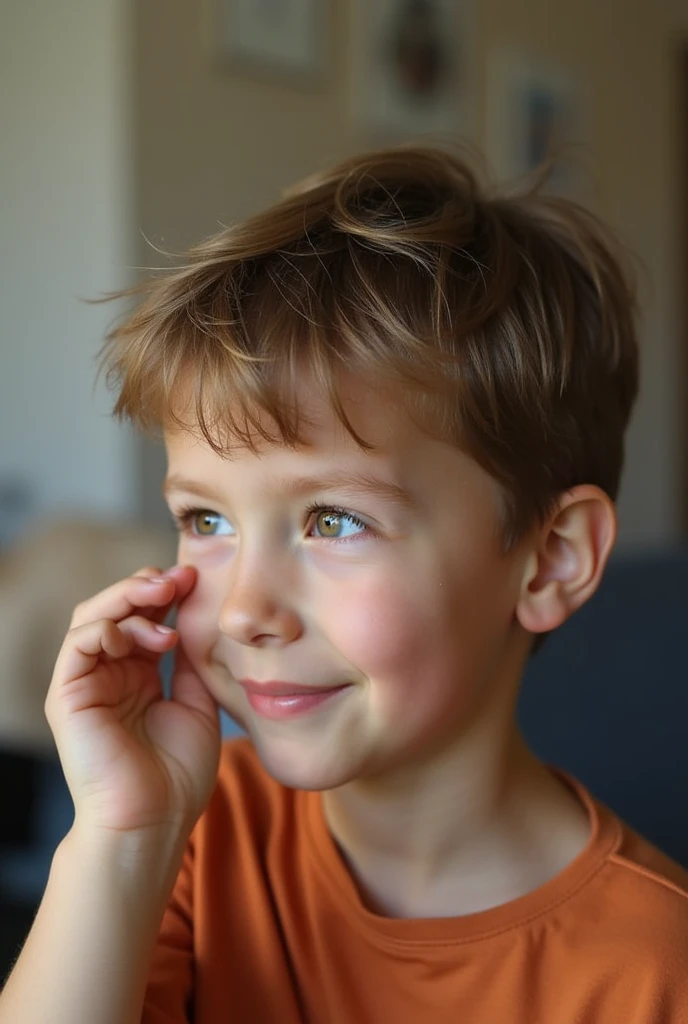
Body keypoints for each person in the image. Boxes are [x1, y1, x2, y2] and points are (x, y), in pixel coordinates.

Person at [2, 145, 687, 1023]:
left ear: (551, 559)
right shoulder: (193, 837)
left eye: (334, 521)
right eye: (206, 521)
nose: (245, 611)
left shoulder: (651, 974)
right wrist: (122, 839)